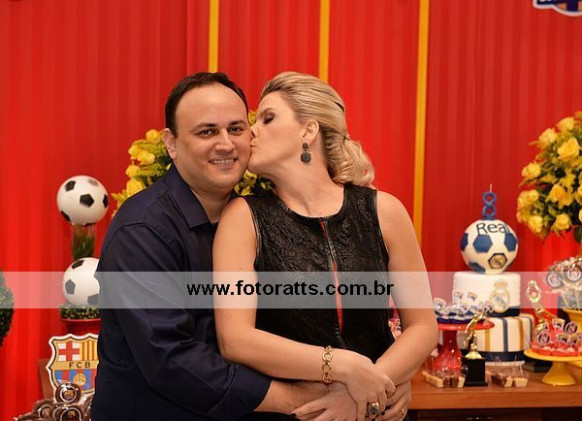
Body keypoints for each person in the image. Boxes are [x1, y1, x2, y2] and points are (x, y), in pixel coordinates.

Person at [93, 72, 331, 421]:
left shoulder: (259, 215)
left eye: (236, 129)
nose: (226, 144)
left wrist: (376, 381)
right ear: (172, 144)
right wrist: (294, 398)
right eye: (207, 132)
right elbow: (169, 358)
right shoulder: (143, 229)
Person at [213, 72, 438, 421]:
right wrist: (341, 367)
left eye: (268, 118)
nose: (251, 132)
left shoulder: (385, 211)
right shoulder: (242, 217)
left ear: (309, 131)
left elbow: (423, 326)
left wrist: (365, 391)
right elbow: (236, 339)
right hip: (296, 413)